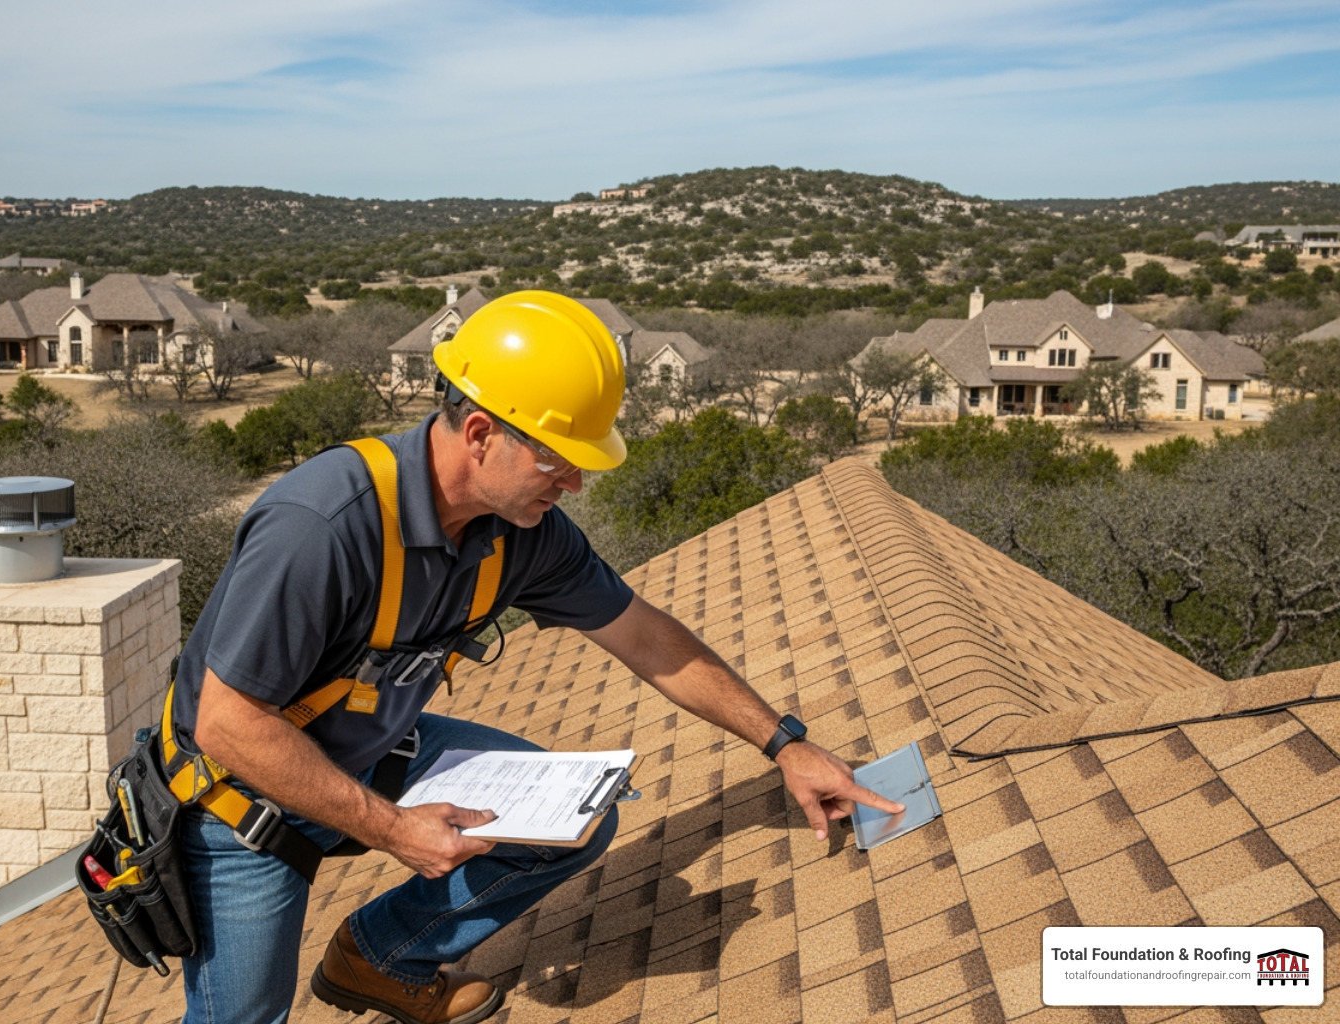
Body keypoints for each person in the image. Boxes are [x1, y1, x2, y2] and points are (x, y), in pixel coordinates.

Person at [168, 290, 903, 1024]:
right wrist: (393, 830)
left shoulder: (522, 532)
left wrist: (784, 744)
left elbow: (646, 636)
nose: (575, 484)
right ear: (480, 432)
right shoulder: (322, 525)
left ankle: (379, 958)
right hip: (243, 794)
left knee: (574, 817)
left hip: (377, 746)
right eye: (559, 459)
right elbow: (228, 724)